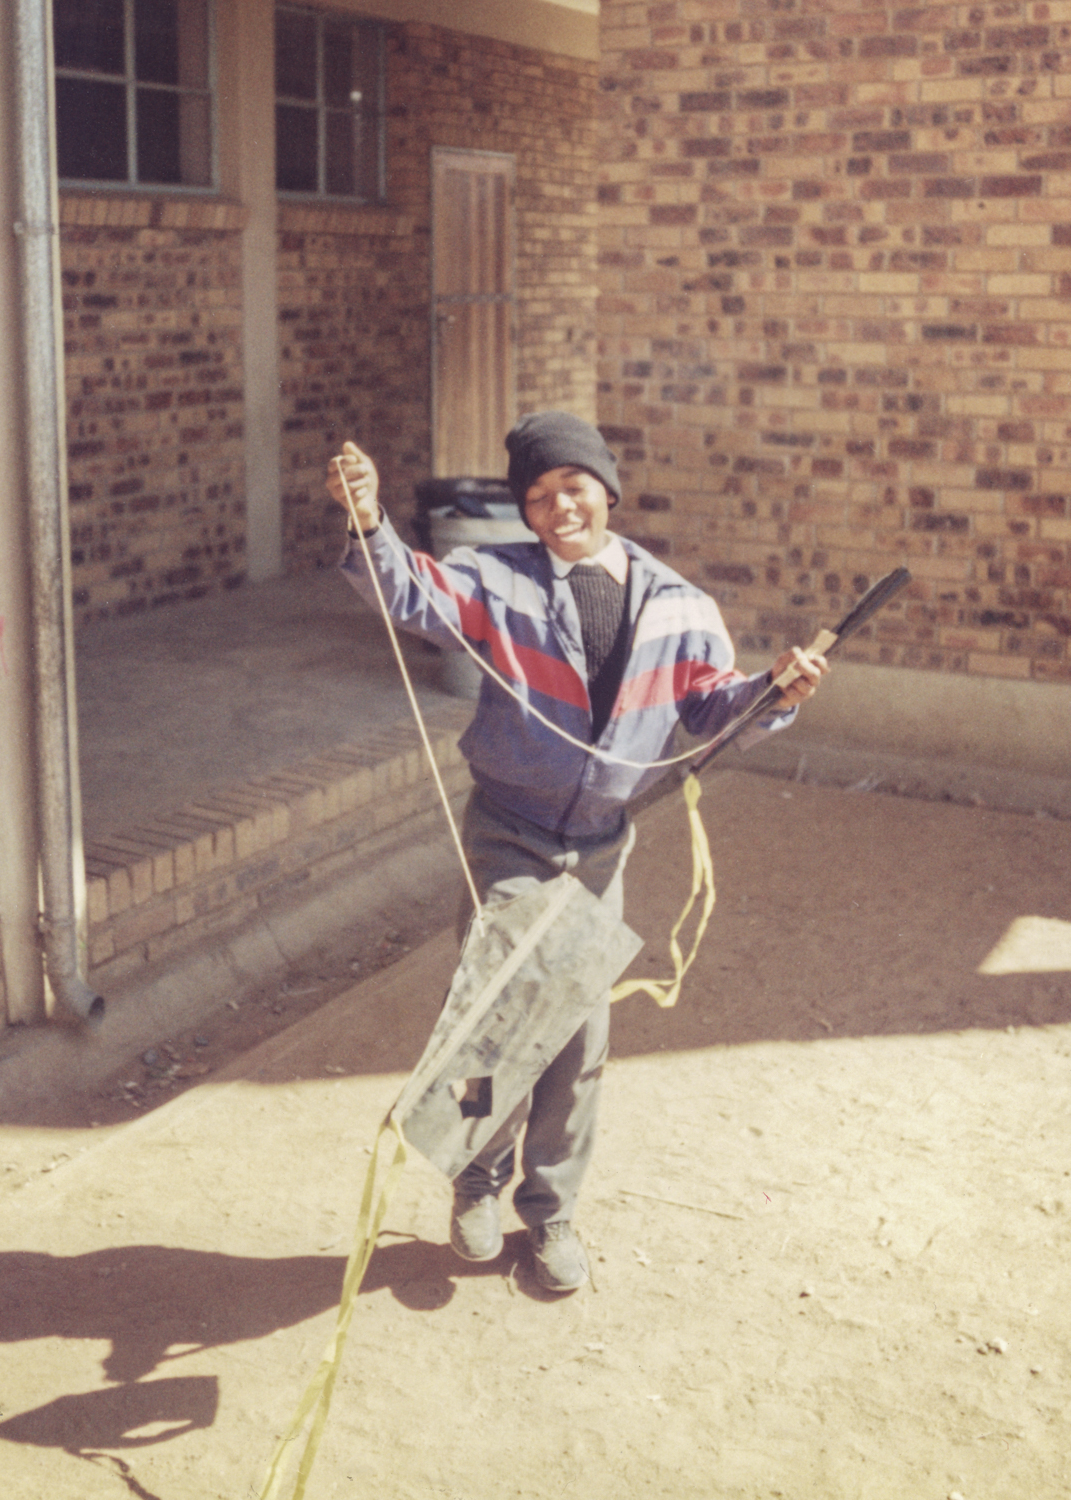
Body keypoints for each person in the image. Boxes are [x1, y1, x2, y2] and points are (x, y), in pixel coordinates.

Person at [327, 411, 826, 1293]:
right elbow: (409, 591)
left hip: (599, 845)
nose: (558, 508)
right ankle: (475, 1180)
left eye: (573, 487)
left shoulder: (679, 605)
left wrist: (775, 691)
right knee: (497, 1016)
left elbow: (713, 707)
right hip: (508, 832)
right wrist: (369, 520)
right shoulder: (496, 580)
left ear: (607, 491)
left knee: (578, 1034)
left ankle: (551, 1210)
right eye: (537, 496)